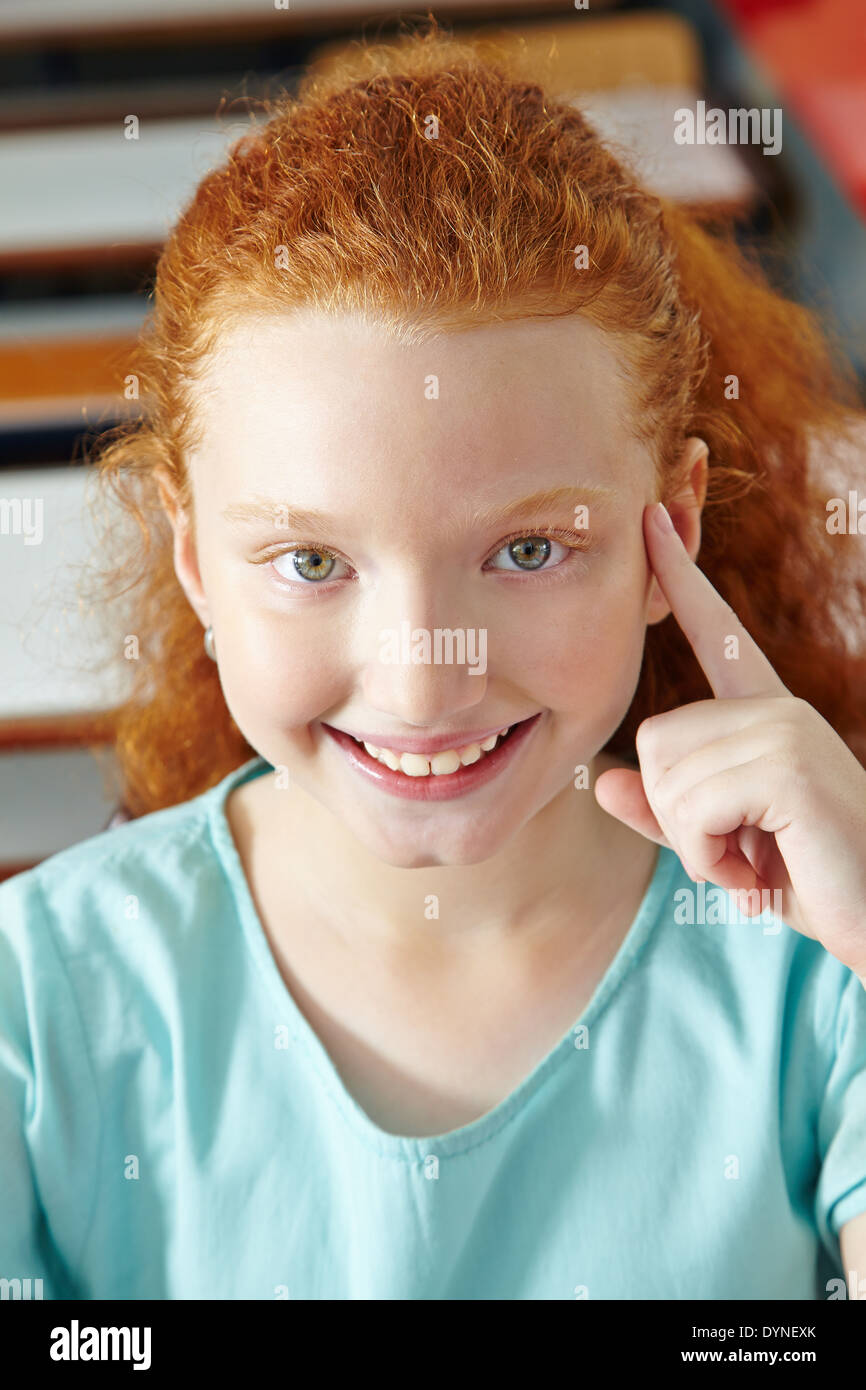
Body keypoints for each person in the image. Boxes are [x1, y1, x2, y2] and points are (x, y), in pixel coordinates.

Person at [2, 19, 866, 1301]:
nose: (418, 682)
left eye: (526, 551)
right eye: (309, 563)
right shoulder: (38, 1003)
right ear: (190, 557)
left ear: (666, 532)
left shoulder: (816, 974)